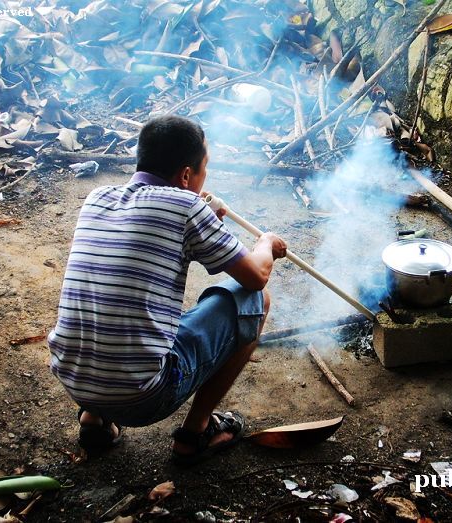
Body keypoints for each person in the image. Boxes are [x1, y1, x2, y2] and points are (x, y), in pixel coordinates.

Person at [47, 115, 287, 465]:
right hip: (143, 398)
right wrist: (265, 243)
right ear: (186, 175)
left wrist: (204, 223)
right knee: (255, 301)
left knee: (106, 305)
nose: (206, 177)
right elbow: (255, 276)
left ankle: (95, 419)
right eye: (204, 168)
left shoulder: (97, 197)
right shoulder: (187, 207)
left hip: (73, 377)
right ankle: (195, 434)